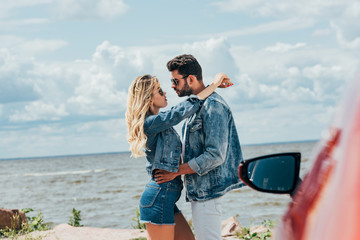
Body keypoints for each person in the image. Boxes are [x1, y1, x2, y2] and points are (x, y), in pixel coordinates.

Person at [125, 73, 232, 240]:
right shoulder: (150, 123)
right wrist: (213, 85)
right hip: (158, 199)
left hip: (166, 200)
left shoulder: (160, 125)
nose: (165, 92)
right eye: (159, 91)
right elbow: (180, 111)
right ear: (148, 99)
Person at [155, 54, 244, 240]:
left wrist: (176, 171)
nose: (172, 86)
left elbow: (215, 155)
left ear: (191, 79)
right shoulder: (197, 105)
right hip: (201, 191)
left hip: (208, 191)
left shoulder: (213, 106)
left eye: (175, 81)